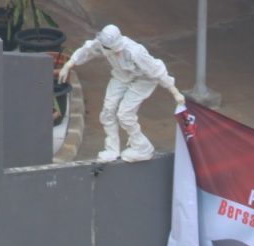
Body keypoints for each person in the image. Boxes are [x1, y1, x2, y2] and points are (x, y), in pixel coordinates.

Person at [58, 25, 185, 163]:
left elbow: (157, 70)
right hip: (121, 76)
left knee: (125, 114)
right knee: (108, 111)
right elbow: (87, 50)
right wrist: (68, 65)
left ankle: (142, 147)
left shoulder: (135, 52)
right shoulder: (101, 44)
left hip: (143, 80)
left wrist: (174, 92)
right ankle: (112, 149)